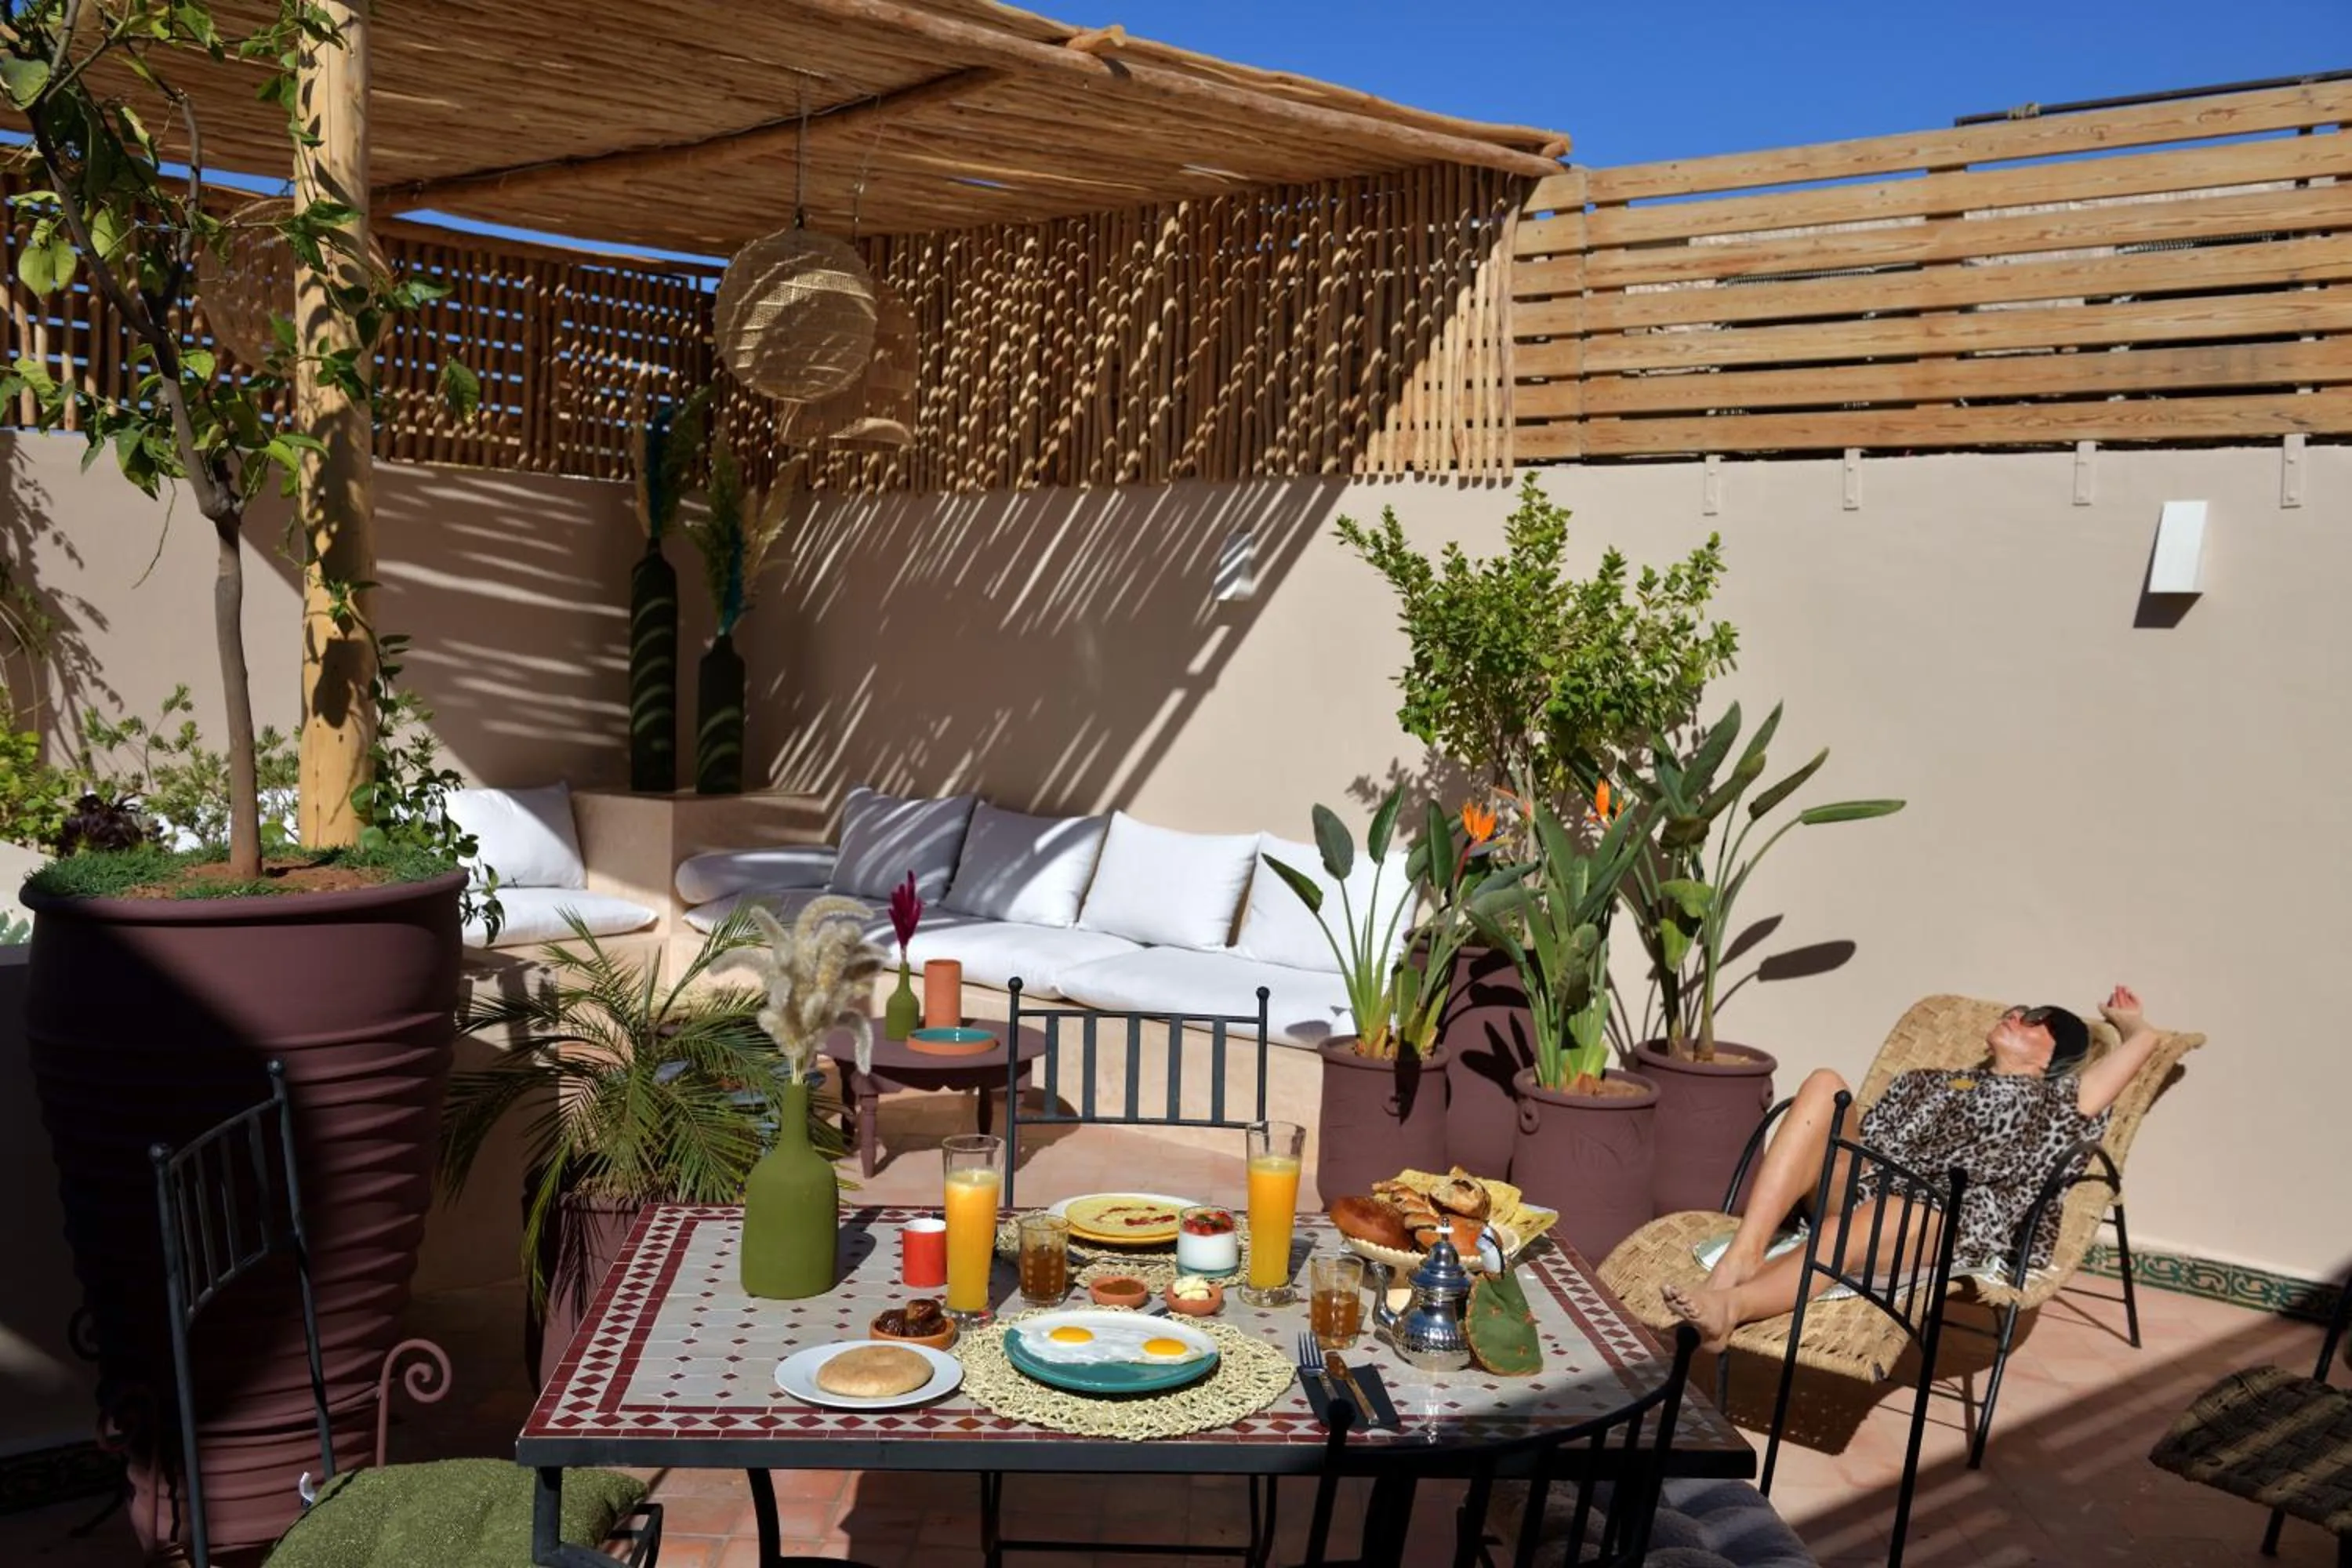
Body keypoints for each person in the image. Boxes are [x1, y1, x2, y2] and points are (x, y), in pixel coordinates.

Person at [1662, 985, 2166, 1351]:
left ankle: (1734, 1307)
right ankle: (1741, 1259)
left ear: (2055, 1058)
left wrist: (2132, 1025)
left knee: (1895, 1212)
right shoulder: (1924, 1081)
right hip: (1863, 1190)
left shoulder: (2055, 1099)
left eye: (2037, 1020)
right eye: (2019, 1010)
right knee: (1823, 1082)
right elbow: (1858, 1146)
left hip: (1945, 1219)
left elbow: (2140, 1049)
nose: (2017, 1015)